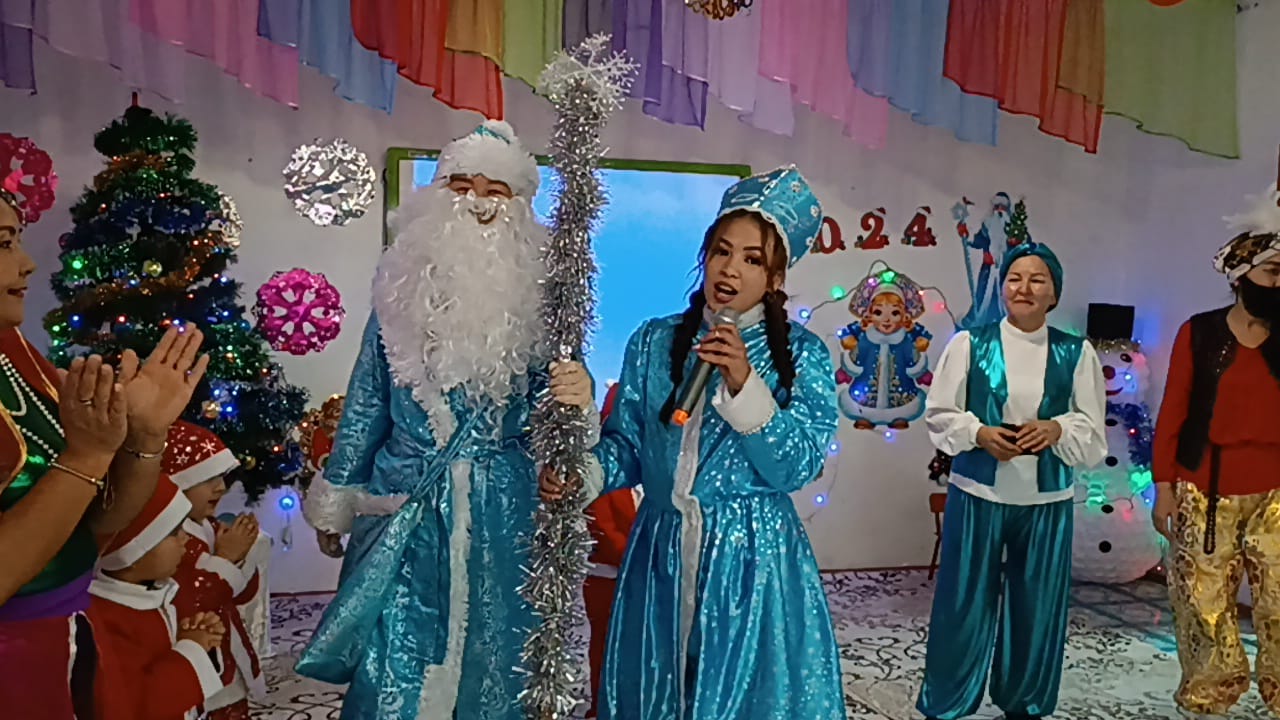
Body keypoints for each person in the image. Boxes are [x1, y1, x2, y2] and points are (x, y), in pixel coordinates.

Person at [297, 120, 591, 720]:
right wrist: (339, 496)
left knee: (498, 653)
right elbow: (366, 402)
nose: (478, 203)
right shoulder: (397, 295)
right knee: (393, 659)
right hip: (406, 501)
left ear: (519, 206)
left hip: (503, 508)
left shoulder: (545, 308)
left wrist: (577, 399)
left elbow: (556, 416)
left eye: (495, 191)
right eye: (462, 187)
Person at [543, 166, 845, 720]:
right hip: (659, 550)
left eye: (752, 259)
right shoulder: (654, 341)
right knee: (655, 693)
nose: (730, 269)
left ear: (776, 277)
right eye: (721, 252)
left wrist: (744, 385)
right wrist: (583, 474)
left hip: (753, 562)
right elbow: (628, 446)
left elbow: (797, 467)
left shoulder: (803, 355)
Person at [0, 157, 210, 718]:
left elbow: (97, 525)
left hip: (65, 642)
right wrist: (88, 454)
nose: (26, 263)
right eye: (4, 244)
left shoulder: (16, 357)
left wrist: (143, 437)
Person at [916, 241, 1107, 720]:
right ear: (1002, 287)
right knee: (962, 603)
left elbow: (1091, 429)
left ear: (1054, 294)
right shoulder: (969, 344)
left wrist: (1057, 428)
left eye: (1037, 279)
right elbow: (939, 413)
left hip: (1046, 501)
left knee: (1036, 606)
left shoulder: (1075, 352)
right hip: (978, 494)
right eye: (1015, 278)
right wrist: (979, 434)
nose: (1024, 288)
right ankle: (947, 703)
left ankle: (1026, 703)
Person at [1151, 183, 1280, 717]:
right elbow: (1173, 412)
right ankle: (1208, 700)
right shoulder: (1200, 334)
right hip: (1203, 490)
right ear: (1241, 274)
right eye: (1274, 272)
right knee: (1202, 608)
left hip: (1276, 493)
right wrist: (1163, 487)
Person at [88, 476, 228, 720]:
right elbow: (135, 703)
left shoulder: (153, 591)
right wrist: (192, 649)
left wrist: (197, 639)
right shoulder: (105, 620)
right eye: (173, 532)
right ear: (133, 553)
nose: (185, 538)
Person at [166, 420, 265, 720]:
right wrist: (225, 558)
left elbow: (241, 595)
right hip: (199, 659)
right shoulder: (169, 540)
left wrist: (240, 557)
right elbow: (188, 600)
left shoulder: (210, 527)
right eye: (207, 478)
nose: (221, 487)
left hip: (226, 656)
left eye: (221, 477)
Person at [582, 382, 640, 719]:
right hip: (606, 578)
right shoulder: (606, 474)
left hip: (637, 578)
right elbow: (602, 525)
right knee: (604, 646)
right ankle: (601, 706)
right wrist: (637, 556)